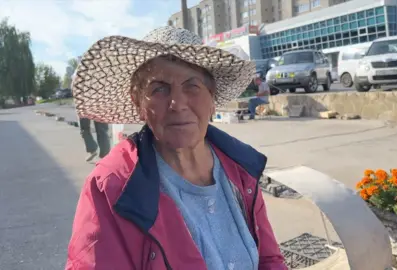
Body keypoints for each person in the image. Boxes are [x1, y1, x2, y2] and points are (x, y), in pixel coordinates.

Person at [66, 26, 286, 270]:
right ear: (138, 103)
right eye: (159, 89)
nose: (177, 103)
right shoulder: (111, 186)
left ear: (212, 99)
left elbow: (269, 260)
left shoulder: (241, 168)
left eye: (192, 86)